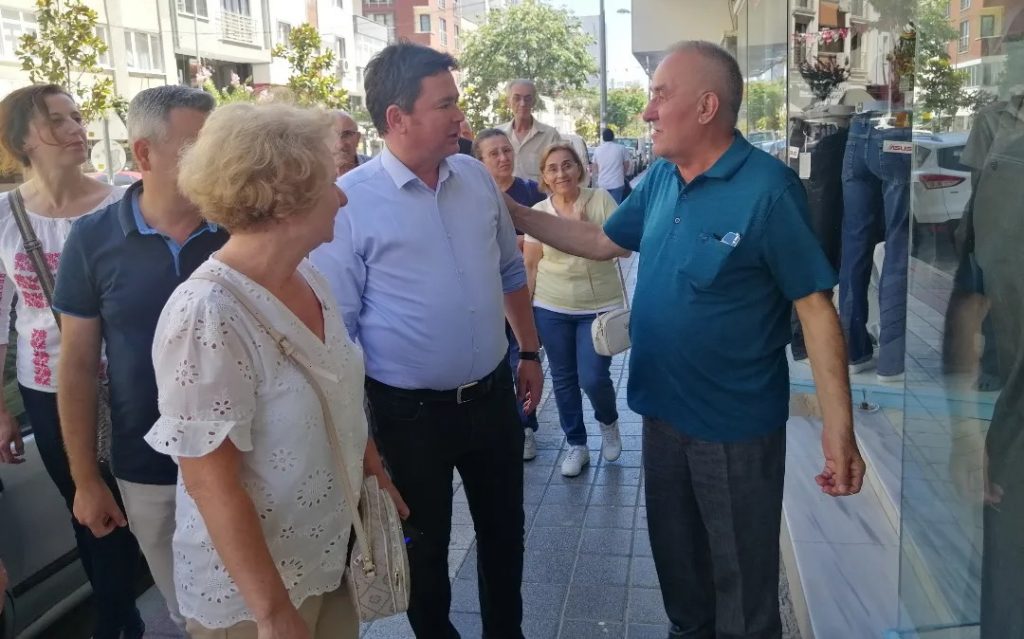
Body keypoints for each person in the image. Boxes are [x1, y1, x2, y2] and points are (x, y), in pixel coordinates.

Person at [504, 40, 865, 638]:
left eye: (659, 96)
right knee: (681, 585)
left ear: (705, 106)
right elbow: (601, 242)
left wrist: (838, 430)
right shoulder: (661, 180)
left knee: (743, 599)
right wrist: (514, 214)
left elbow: (816, 311)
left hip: (735, 430)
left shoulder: (769, 190)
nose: (647, 111)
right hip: (661, 418)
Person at [143, 102, 403, 639]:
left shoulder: (309, 277)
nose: (343, 196)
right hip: (254, 599)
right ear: (286, 198)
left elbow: (339, 393)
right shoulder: (207, 313)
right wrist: (273, 612)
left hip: (330, 556)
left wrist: (376, 479)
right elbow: (210, 481)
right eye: (330, 182)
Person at [310, 42, 542, 639]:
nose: (461, 117)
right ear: (397, 117)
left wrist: (530, 350)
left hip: (492, 397)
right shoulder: (350, 202)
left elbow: (509, 270)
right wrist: (363, 440)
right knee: (424, 547)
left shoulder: (475, 177)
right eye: (445, 105)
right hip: (407, 415)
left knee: (504, 534)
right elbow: (340, 332)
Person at [53, 85, 226, 630]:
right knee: (191, 617)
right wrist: (86, 479)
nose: (215, 160)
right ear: (144, 153)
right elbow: (77, 366)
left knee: (258, 607)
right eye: (197, 146)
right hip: (149, 470)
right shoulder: (92, 238)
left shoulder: (240, 226)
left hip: (244, 458)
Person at [0, 84, 143, 639]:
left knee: (152, 502)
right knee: (89, 511)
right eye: (57, 120)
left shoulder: (124, 204)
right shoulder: (5, 216)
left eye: (78, 117)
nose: (77, 128)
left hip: (134, 382)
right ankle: (118, 620)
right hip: (48, 391)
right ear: (21, 140)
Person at [523, 142, 626, 477]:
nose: (561, 173)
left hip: (598, 308)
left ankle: (608, 422)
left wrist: (586, 230)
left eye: (567, 165)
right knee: (564, 378)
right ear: (544, 176)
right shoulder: (539, 211)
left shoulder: (601, 200)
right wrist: (527, 316)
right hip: (551, 306)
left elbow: (624, 248)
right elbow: (531, 265)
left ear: (579, 168)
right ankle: (576, 444)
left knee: (593, 377)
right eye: (552, 168)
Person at [473, 128, 544, 460]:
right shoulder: (471, 196)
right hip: (486, 300)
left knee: (523, 361)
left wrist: (516, 242)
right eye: (494, 153)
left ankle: (526, 424)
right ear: (479, 161)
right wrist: (520, 242)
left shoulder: (529, 191)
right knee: (496, 366)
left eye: (506, 150)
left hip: (524, 295)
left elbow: (543, 238)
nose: (503, 158)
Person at [498, 79, 562, 182]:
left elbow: (559, 172)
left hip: (539, 193)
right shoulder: (497, 135)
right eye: (517, 98)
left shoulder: (550, 136)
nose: (522, 103)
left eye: (527, 99)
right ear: (508, 102)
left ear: (534, 102)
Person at [592, 127, 631, 203]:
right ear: (613, 137)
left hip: (602, 184)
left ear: (603, 138)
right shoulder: (621, 148)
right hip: (617, 183)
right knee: (615, 206)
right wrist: (622, 174)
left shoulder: (597, 150)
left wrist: (598, 176)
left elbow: (595, 167)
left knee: (604, 206)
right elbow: (626, 164)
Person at [330, 110, 369, 177]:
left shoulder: (377, 169)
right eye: (332, 136)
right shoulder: (313, 174)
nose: (340, 145)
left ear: (358, 138)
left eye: (347, 134)